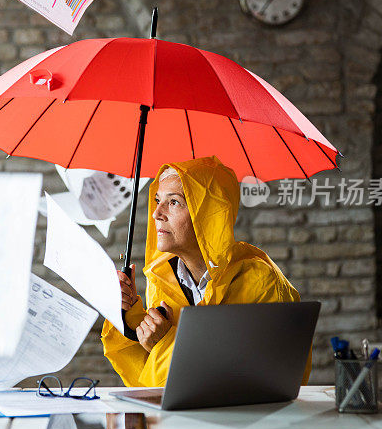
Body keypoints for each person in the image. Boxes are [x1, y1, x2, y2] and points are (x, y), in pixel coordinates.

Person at [101, 156, 310, 387]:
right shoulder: (161, 279)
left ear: (208, 213)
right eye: (158, 200)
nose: (156, 213)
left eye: (174, 202)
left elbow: (262, 383)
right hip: (173, 421)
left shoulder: (261, 283)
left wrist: (166, 344)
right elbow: (145, 383)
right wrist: (129, 317)